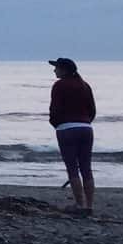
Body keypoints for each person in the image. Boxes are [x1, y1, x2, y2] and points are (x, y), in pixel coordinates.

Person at [49, 56, 96, 214]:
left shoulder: (59, 85)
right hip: (86, 128)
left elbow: (54, 109)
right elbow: (92, 110)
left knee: (72, 168)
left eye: (57, 68)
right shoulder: (85, 85)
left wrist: (57, 124)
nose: (54, 70)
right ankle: (89, 205)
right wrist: (85, 121)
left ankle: (79, 204)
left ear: (64, 70)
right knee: (86, 168)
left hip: (67, 128)